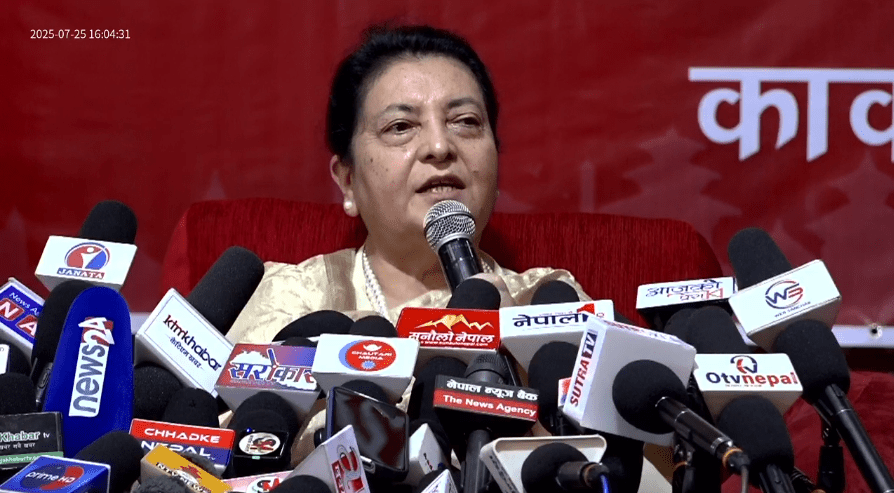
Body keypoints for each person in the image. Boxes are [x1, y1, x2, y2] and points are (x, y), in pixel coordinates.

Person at [227, 24, 588, 344]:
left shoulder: (548, 304)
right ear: (348, 181)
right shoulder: (292, 302)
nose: (440, 147)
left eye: (465, 121)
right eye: (400, 127)